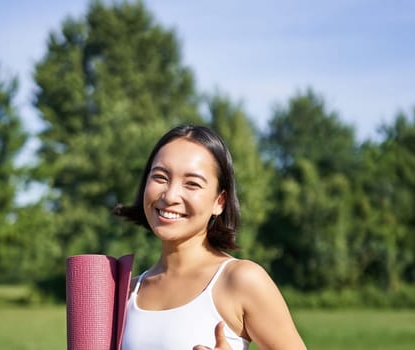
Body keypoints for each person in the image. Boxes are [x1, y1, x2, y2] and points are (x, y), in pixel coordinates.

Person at [113, 125, 306, 350]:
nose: (170, 195)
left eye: (192, 183)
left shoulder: (241, 280)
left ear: (219, 202)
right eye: (160, 177)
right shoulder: (126, 293)